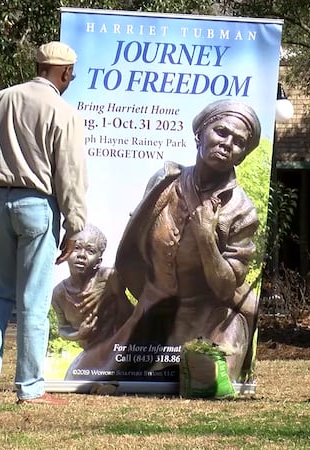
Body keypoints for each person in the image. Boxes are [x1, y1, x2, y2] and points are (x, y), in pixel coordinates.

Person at [66, 99, 262, 382]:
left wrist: (206, 237)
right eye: (221, 132)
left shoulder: (241, 210)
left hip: (206, 316)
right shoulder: (165, 182)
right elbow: (135, 240)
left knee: (206, 381)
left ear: (242, 155)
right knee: (82, 375)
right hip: (150, 312)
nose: (227, 143)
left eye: (238, 142)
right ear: (200, 135)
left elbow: (224, 287)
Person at [0, 41, 87, 405]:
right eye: (71, 74)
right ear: (65, 72)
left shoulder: (2, 99)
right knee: (33, 300)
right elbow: (70, 173)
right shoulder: (62, 111)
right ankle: (30, 388)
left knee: (0, 292)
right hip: (37, 205)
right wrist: (75, 225)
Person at [51, 224, 133, 349]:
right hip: (90, 352)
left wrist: (112, 288)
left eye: (90, 251)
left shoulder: (108, 278)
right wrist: (79, 333)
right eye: (77, 247)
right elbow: (63, 328)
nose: (82, 255)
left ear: (98, 261)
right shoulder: (58, 294)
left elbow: (131, 314)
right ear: (65, 252)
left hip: (120, 348)